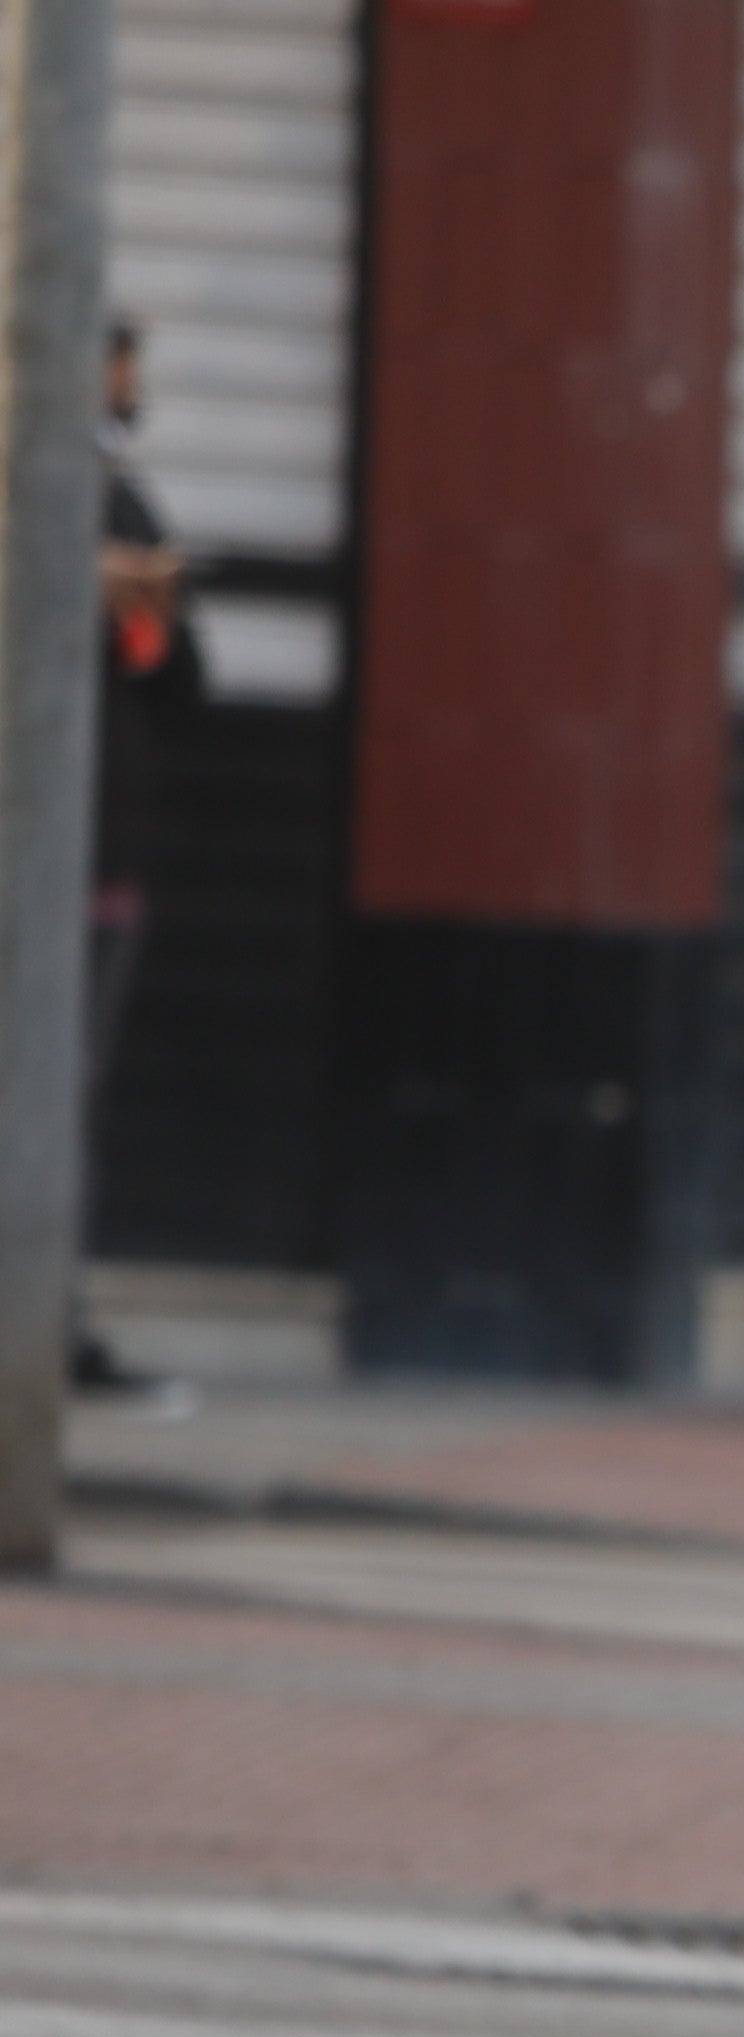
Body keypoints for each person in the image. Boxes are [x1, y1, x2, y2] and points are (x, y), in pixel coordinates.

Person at [77, 315, 200, 1395]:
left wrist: (142, 616)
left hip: (102, 862)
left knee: (72, 1095)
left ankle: (48, 1321)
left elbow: (176, 676)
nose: (122, 411)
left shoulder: (123, 506)